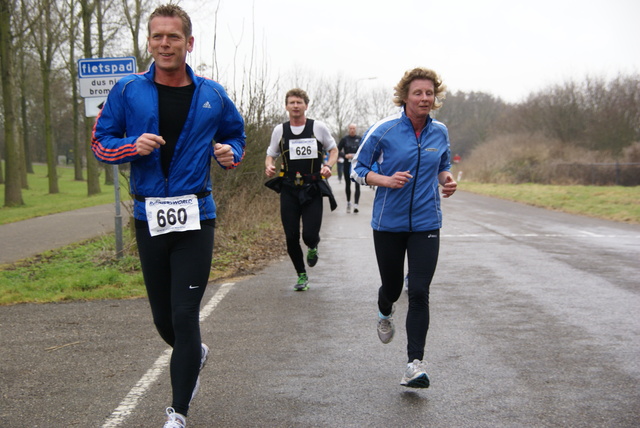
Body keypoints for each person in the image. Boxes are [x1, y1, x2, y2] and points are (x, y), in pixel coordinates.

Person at [91, 4, 246, 427]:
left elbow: (236, 134)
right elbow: (100, 142)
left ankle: (177, 413)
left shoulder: (212, 94)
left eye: (173, 36)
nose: (164, 43)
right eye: (157, 36)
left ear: (188, 43)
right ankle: (195, 353)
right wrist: (130, 146)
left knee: (184, 312)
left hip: (197, 215)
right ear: (149, 42)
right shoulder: (127, 90)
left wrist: (229, 154)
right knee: (163, 318)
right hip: (149, 217)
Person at [351, 67, 457, 388]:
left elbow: (443, 167)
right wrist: (386, 180)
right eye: (418, 93)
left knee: (420, 291)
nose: (424, 98)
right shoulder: (384, 130)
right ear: (405, 97)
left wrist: (447, 180)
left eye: (429, 93)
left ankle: (414, 364)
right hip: (388, 223)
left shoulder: (439, 131)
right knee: (394, 289)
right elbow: (358, 169)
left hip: (427, 221)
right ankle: (385, 310)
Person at [265, 88, 338, 291]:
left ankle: (313, 246)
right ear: (286, 106)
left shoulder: (318, 127)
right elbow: (271, 153)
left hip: (312, 187)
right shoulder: (280, 130)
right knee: (290, 236)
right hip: (289, 188)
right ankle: (301, 274)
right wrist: (269, 165)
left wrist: (328, 165)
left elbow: (333, 149)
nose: (295, 106)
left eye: (299, 102)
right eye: (291, 102)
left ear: (306, 105)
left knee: (309, 235)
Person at [337, 123, 362, 213]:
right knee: (348, 184)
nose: (352, 130)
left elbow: (364, 150)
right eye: (350, 128)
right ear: (348, 129)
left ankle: (356, 204)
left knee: (357, 184)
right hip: (347, 164)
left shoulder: (360, 139)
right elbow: (337, 150)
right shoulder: (344, 139)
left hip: (357, 164)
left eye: (354, 128)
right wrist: (344, 155)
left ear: (356, 129)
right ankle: (348, 202)